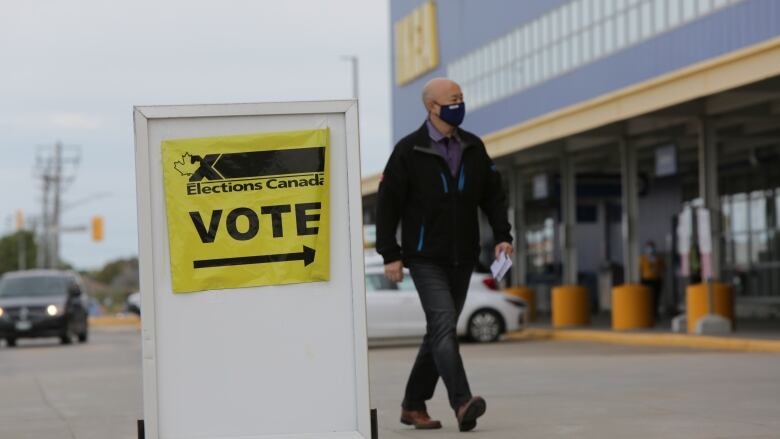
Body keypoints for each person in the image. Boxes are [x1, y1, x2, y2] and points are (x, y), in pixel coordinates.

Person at [376, 77, 513, 432]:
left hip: (462, 257)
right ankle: (462, 402)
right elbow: (387, 205)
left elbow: (494, 196)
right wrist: (390, 253)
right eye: (453, 99)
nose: (460, 104)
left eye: (462, 98)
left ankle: (412, 405)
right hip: (424, 258)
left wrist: (502, 237)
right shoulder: (409, 150)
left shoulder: (473, 147)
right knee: (442, 327)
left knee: (440, 332)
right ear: (431, 107)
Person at [640, 240, 665, 319]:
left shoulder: (658, 259)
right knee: (647, 299)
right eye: (648, 247)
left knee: (655, 298)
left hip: (656, 280)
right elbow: (640, 269)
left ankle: (655, 314)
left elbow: (663, 267)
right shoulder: (643, 258)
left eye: (651, 247)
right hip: (646, 280)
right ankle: (647, 314)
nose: (650, 249)